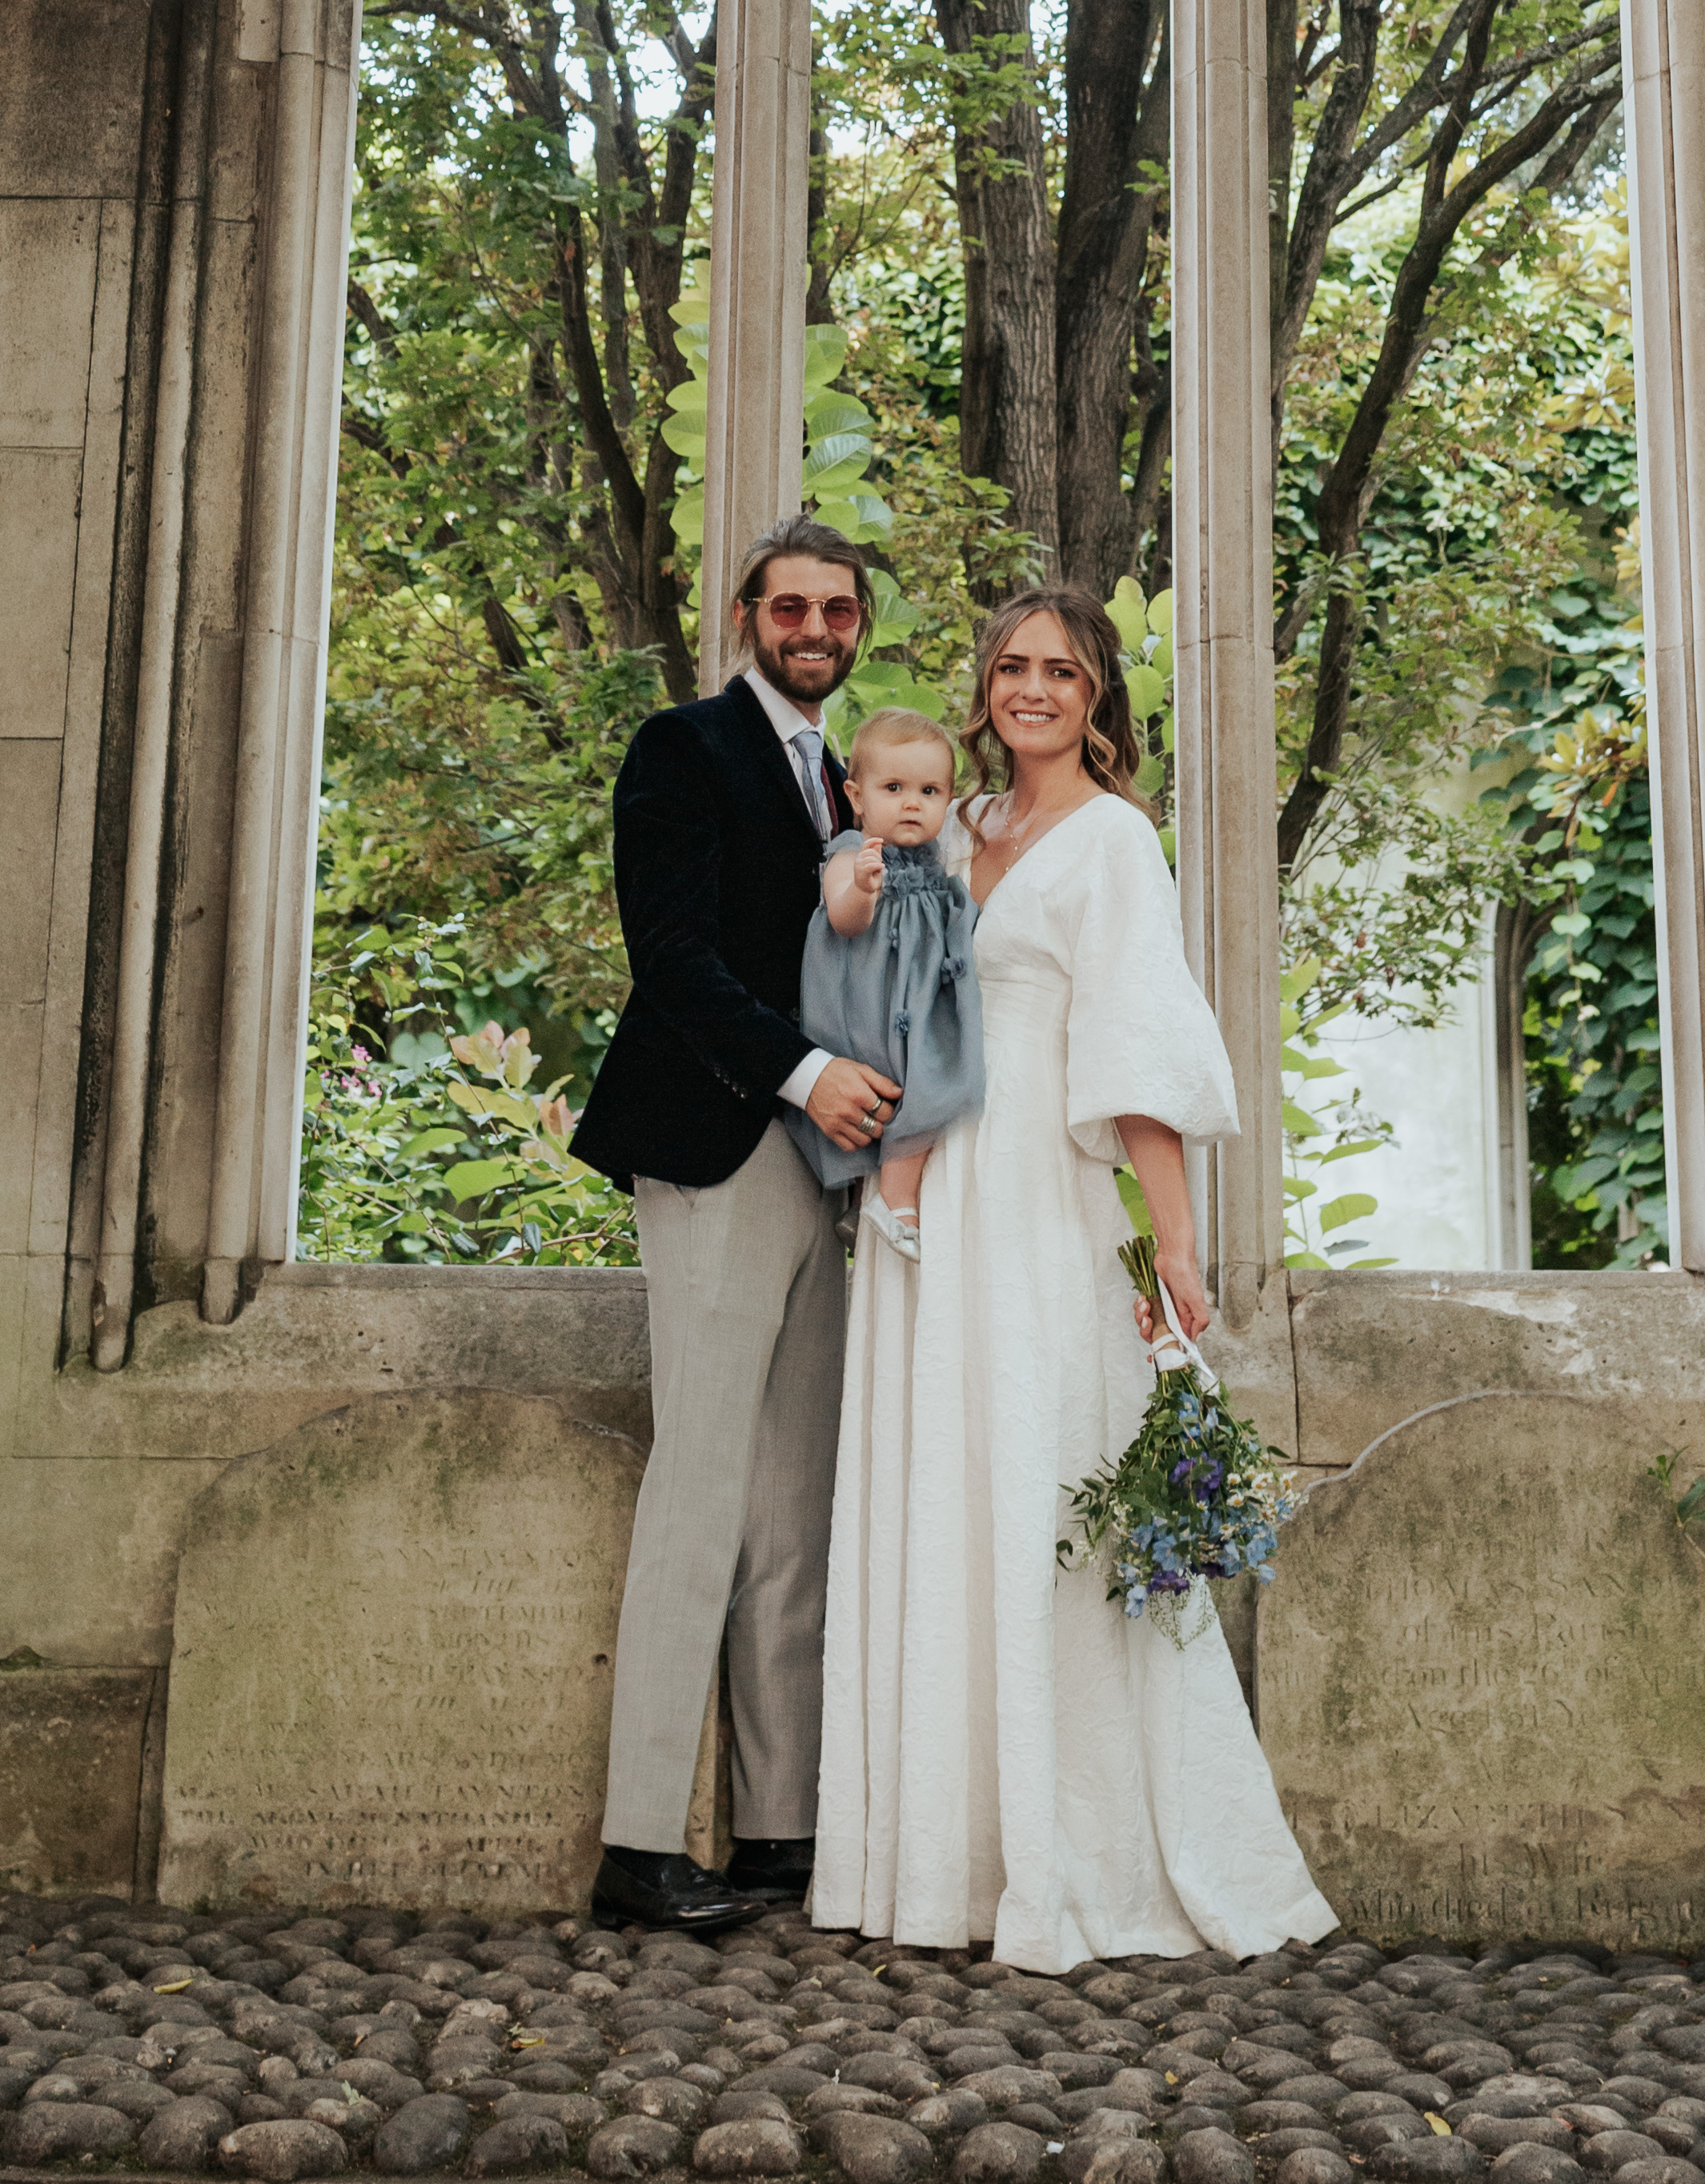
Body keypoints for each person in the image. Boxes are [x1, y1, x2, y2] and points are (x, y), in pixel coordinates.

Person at [812, 583, 1335, 1971]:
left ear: (1096, 693)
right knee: (939, 1484)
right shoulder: (953, 821)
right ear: (980, 686)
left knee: (1042, 1483)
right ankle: (936, 1858)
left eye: (1056, 668)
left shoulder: (1113, 840)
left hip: (1039, 1193)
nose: (1028, 686)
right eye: (1007, 665)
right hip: (926, 1183)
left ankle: (1072, 1852)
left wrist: (1169, 1238)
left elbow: (1135, 1049)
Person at [572, 514, 905, 1937]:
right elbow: (675, 956)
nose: (812, 625)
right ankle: (639, 1841)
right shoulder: (681, 749)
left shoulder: (850, 775)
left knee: (791, 1503)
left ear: (856, 627)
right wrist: (807, 1072)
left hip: (822, 1169)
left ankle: (778, 1825)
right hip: (716, 1141)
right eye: (789, 605)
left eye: (836, 608)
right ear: (744, 613)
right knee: (699, 1485)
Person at [783, 709, 985, 1259]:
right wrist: (863, 890)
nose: (912, 802)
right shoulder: (851, 851)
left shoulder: (941, 861)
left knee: (936, 1082)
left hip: (918, 1004)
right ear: (856, 794)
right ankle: (892, 1200)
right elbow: (844, 917)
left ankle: (887, 1196)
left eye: (929, 789)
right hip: (866, 1008)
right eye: (893, 787)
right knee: (896, 1089)